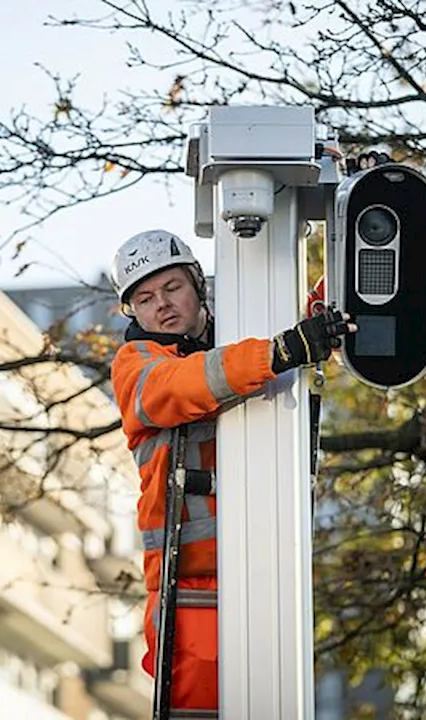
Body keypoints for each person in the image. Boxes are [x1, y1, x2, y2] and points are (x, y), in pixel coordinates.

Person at [108, 228, 355, 711]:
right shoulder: (135, 363)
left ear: (198, 284)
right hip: (190, 590)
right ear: (132, 311)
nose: (161, 304)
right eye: (144, 297)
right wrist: (280, 352)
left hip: (270, 571)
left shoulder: (248, 329)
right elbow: (183, 384)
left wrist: (353, 217)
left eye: (172, 287)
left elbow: (321, 313)